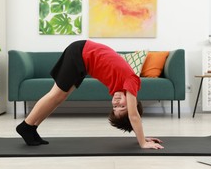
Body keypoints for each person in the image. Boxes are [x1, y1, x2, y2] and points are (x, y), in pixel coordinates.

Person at [16, 40, 164, 149]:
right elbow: (133, 116)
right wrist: (143, 142)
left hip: (83, 59)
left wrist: (142, 136)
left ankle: (32, 128)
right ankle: (26, 126)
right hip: (80, 53)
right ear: (133, 103)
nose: (116, 103)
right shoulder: (132, 82)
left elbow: (132, 115)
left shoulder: (118, 87)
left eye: (115, 108)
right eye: (122, 107)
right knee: (55, 94)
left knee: (61, 97)